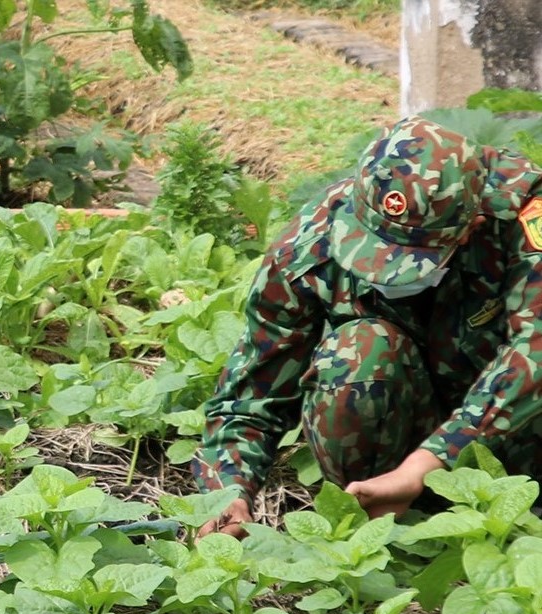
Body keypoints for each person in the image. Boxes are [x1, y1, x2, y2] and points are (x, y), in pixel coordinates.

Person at [196, 116, 542, 537]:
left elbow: (535, 347)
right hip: (403, 443)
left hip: (519, 442)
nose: (384, 273)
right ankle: (383, 513)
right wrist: (228, 490)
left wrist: (432, 460)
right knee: (358, 349)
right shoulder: (311, 242)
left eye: (410, 260)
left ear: (472, 227)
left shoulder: (523, 211)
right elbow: (248, 397)